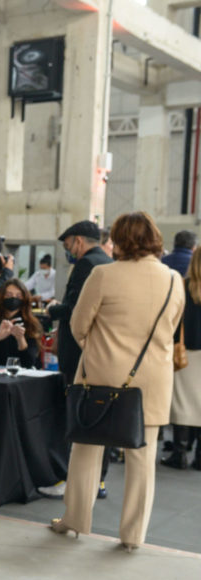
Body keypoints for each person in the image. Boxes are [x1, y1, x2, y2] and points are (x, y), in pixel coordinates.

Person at [50, 211, 184, 551]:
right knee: (143, 459)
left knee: (86, 449)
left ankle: (75, 520)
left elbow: (78, 325)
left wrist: (101, 351)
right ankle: (133, 536)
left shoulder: (103, 274)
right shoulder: (173, 279)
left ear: (120, 240)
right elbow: (170, 329)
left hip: (101, 376)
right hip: (152, 381)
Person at [39, 220, 113, 500]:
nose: (68, 250)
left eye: (68, 244)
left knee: (77, 418)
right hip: (99, 354)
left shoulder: (86, 265)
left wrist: (53, 310)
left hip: (79, 354)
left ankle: (73, 481)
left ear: (78, 241)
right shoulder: (107, 263)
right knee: (98, 420)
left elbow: (76, 308)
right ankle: (98, 480)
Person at [162, 246, 201, 469]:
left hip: (185, 354)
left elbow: (173, 319)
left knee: (182, 404)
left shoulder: (183, 287)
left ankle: (180, 453)